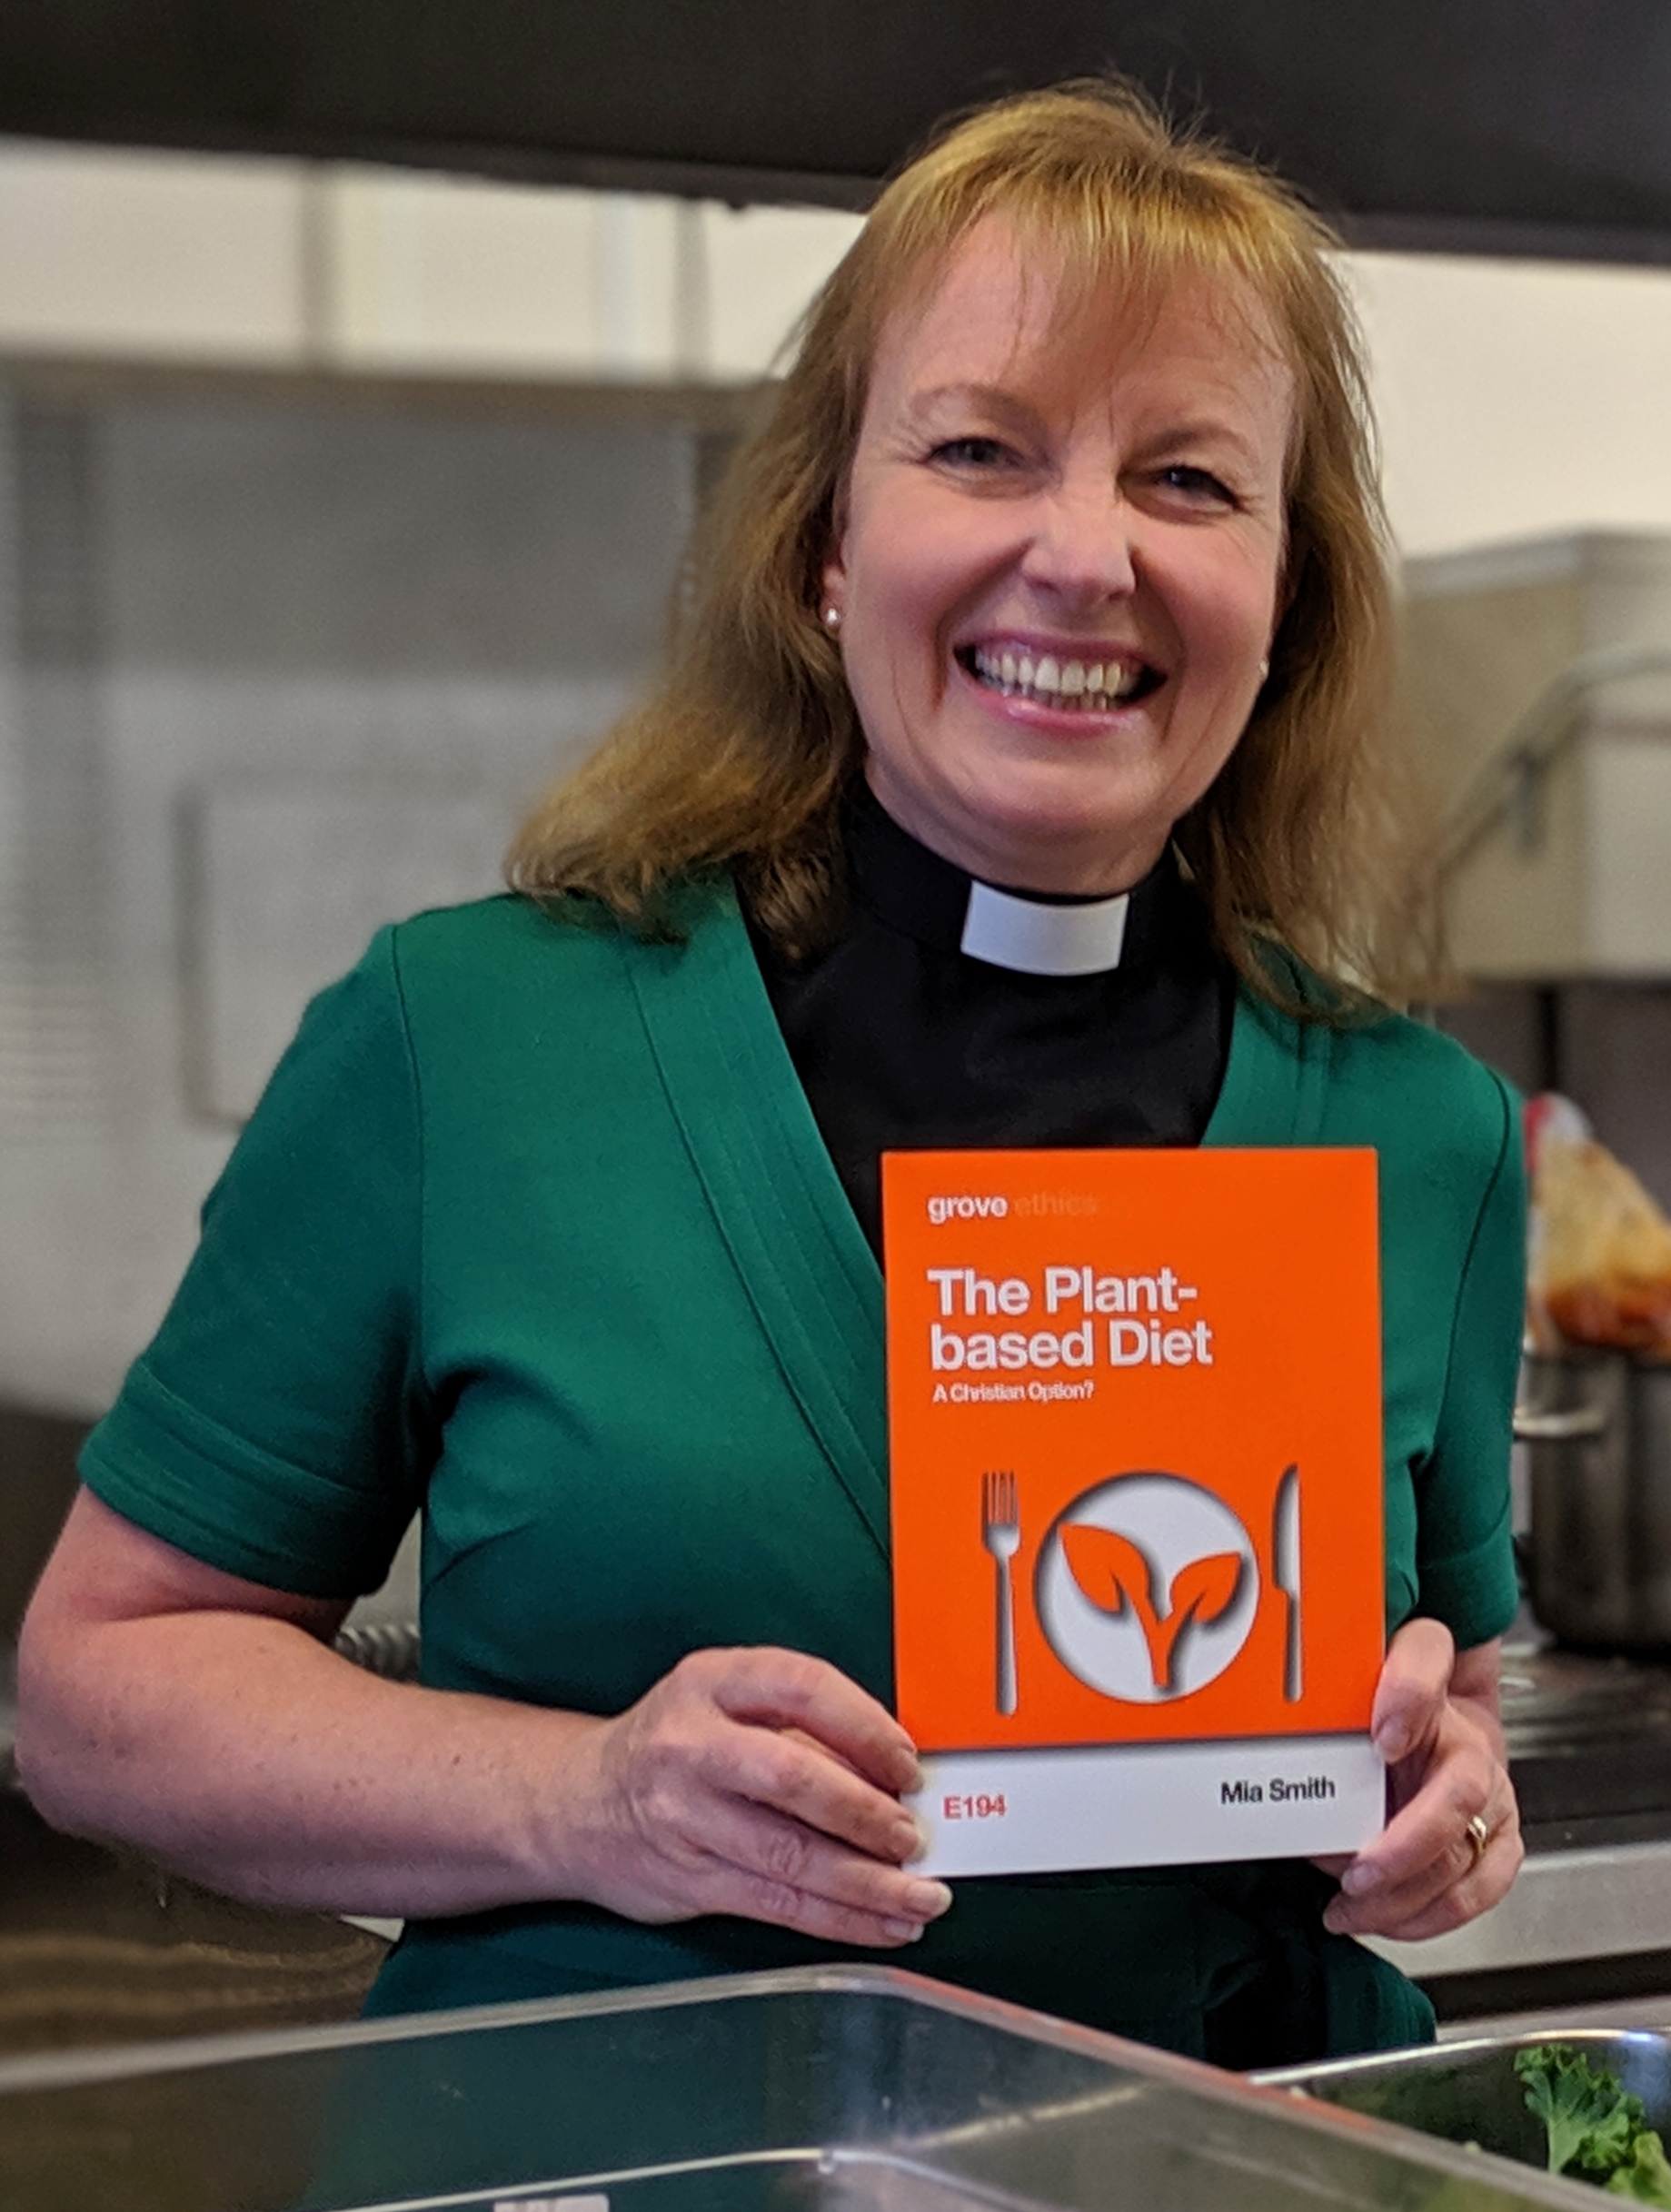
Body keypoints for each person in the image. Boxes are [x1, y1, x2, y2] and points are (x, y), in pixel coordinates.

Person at [12, 82, 1526, 2067]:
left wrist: (1454, 1801)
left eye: (1188, 480)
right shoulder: (463, 1045)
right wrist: (590, 1794)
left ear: (1286, 601)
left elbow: (1461, 1704)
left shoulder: (1422, 1127)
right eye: (982, 448)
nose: (1084, 554)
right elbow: (95, 1692)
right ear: (824, 544)